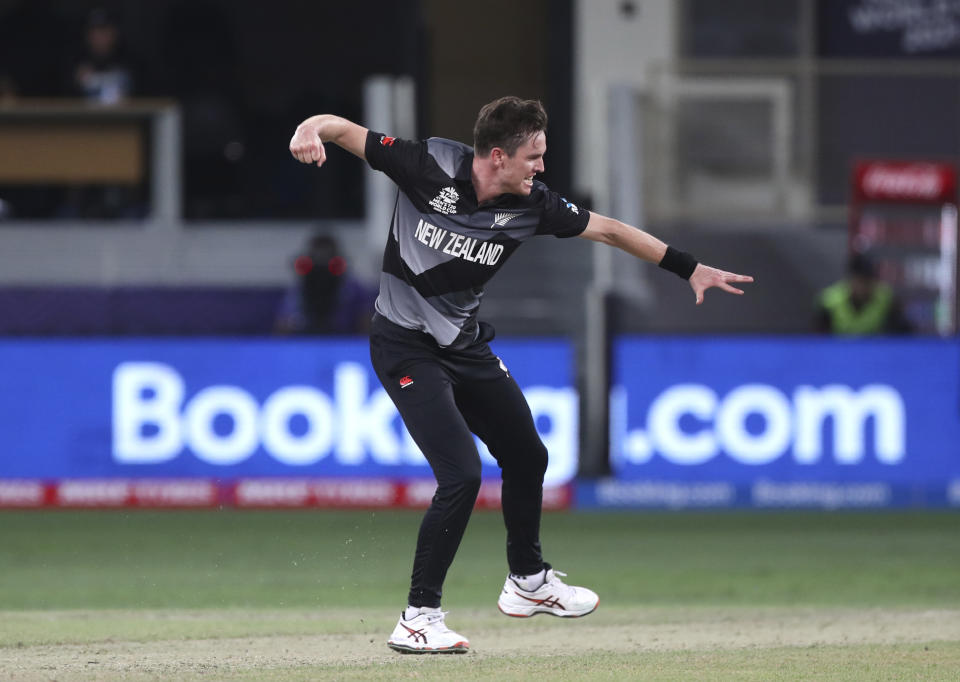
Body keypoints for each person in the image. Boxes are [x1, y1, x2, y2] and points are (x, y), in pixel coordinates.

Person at [289, 96, 753, 654]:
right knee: (460, 475)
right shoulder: (425, 163)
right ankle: (418, 616)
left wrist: (690, 268)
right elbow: (341, 128)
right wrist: (308, 130)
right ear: (498, 156)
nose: (541, 168)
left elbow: (607, 230)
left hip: (462, 344)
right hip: (404, 346)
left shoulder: (534, 204)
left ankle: (527, 582)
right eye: (533, 156)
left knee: (528, 456)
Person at [274, 233, 378, 335]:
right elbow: (283, 325)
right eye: (318, 257)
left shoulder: (352, 287)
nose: (322, 264)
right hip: (306, 340)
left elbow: (366, 324)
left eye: (326, 257)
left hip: (343, 340)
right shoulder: (299, 287)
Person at [815, 253, 913, 335]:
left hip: (874, 353)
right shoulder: (830, 301)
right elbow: (818, 338)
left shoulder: (886, 299)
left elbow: (902, 333)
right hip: (838, 353)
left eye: (868, 281)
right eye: (860, 281)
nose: (863, 287)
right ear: (850, 279)